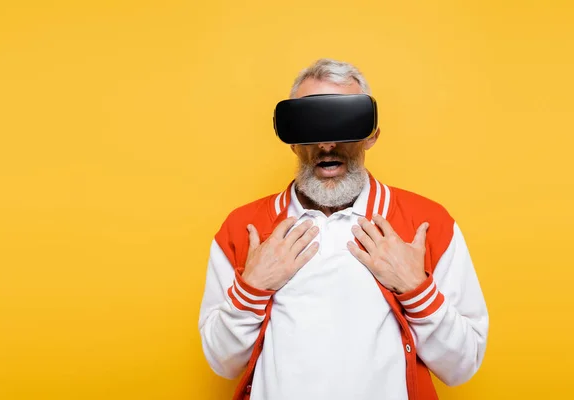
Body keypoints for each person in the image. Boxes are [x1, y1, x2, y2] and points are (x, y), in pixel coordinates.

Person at [198, 58, 489, 400]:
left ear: (371, 137)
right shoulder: (243, 228)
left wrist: (416, 290)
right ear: (292, 141)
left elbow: (463, 365)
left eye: (342, 126)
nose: (327, 146)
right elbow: (222, 363)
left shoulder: (426, 223)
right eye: (312, 129)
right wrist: (253, 289)